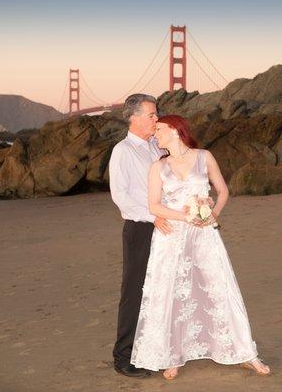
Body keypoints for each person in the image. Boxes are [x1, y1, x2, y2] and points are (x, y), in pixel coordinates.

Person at [130, 115, 271, 380]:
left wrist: (212, 214)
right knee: (170, 291)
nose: (155, 134)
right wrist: (186, 216)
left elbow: (223, 191)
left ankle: (245, 353)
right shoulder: (157, 167)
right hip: (171, 236)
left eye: (159, 129)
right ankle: (171, 356)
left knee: (220, 287)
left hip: (204, 235)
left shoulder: (204, 157)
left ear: (174, 130)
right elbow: (154, 206)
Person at [108, 93, 171, 378]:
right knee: (134, 292)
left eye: (156, 114)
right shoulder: (123, 151)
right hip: (141, 228)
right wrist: (154, 216)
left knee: (160, 289)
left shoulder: (157, 146)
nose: (156, 119)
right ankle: (123, 357)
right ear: (134, 118)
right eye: (151, 115)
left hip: (165, 225)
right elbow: (120, 197)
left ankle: (152, 351)